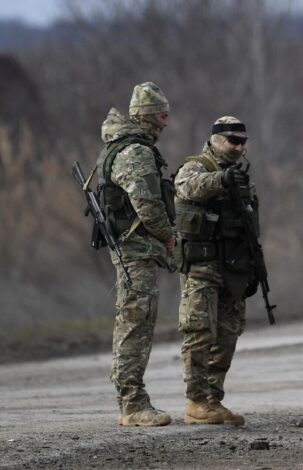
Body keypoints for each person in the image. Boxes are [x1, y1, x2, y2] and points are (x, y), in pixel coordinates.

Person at [174, 116, 264, 426]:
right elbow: (188, 188)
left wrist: (254, 266)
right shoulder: (197, 167)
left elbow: (250, 225)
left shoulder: (241, 177)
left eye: (242, 141)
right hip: (202, 263)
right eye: (232, 140)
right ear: (215, 140)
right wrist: (221, 181)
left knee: (228, 332)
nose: (239, 147)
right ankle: (196, 400)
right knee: (199, 330)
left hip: (233, 266)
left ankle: (212, 398)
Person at [97, 82, 176, 426]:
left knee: (136, 321)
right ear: (148, 116)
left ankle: (131, 400)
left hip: (137, 248)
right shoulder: (135, 152)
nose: (166, 122)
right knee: (135, 323)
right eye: (162, 115)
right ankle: (132, 404)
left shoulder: (124, 146)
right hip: (136, 249)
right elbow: (147, 203)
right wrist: (168, 236)